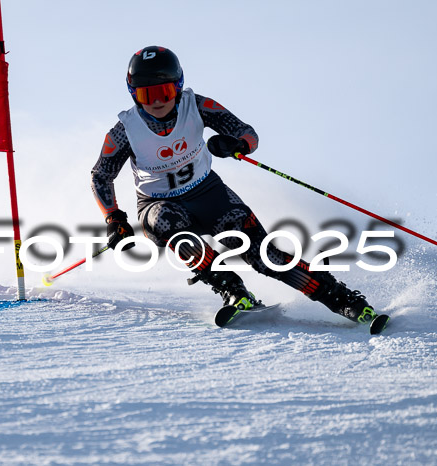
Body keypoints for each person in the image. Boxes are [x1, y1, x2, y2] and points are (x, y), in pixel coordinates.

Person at [90, 45, 379, 326]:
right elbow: (101, 175)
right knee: (170, 225)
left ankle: (342, 299)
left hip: (208, 194)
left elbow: (247, 133)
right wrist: (114, 218)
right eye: (146, 94)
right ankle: (234, 291)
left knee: (265, 257)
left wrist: (236, 144)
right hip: (157, 204)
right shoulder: (125, 130)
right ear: (133, 94)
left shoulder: (198, 106)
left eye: (163, 91)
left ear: (177, 87)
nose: (156, 101)